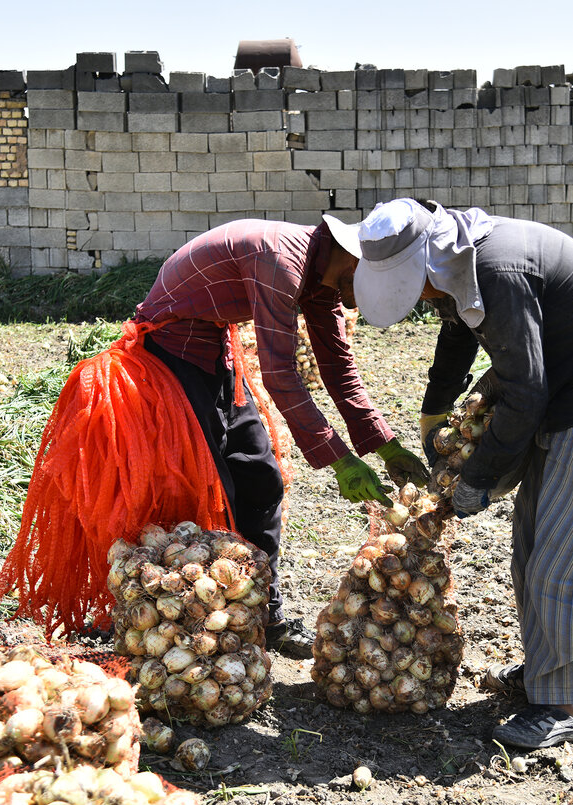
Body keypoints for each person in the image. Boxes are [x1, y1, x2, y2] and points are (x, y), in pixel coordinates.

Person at [338, 198, 573, 748]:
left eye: (410, 284)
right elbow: (460, 333)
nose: (419, 298)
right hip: (568, 398)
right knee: (531, 546)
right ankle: (545, 675)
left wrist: (476, 479)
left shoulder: (496, 268)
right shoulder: (462, 260)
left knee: (565, 560)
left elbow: (526, 391)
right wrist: (435, 412)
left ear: (425, 261)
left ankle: (563, 706)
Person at [133, 216, 430, 658]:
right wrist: (340, 460)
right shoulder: (281, 260)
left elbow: (338, 367)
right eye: (367, 284)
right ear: (352, 261)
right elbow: (279, 373)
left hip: (215, 350)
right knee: (218, 489)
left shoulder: (323, 278)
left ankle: (261, 612)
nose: (360, 298)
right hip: (170, 353)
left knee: (262, 479)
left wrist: (384, 444)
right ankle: (203, 624)